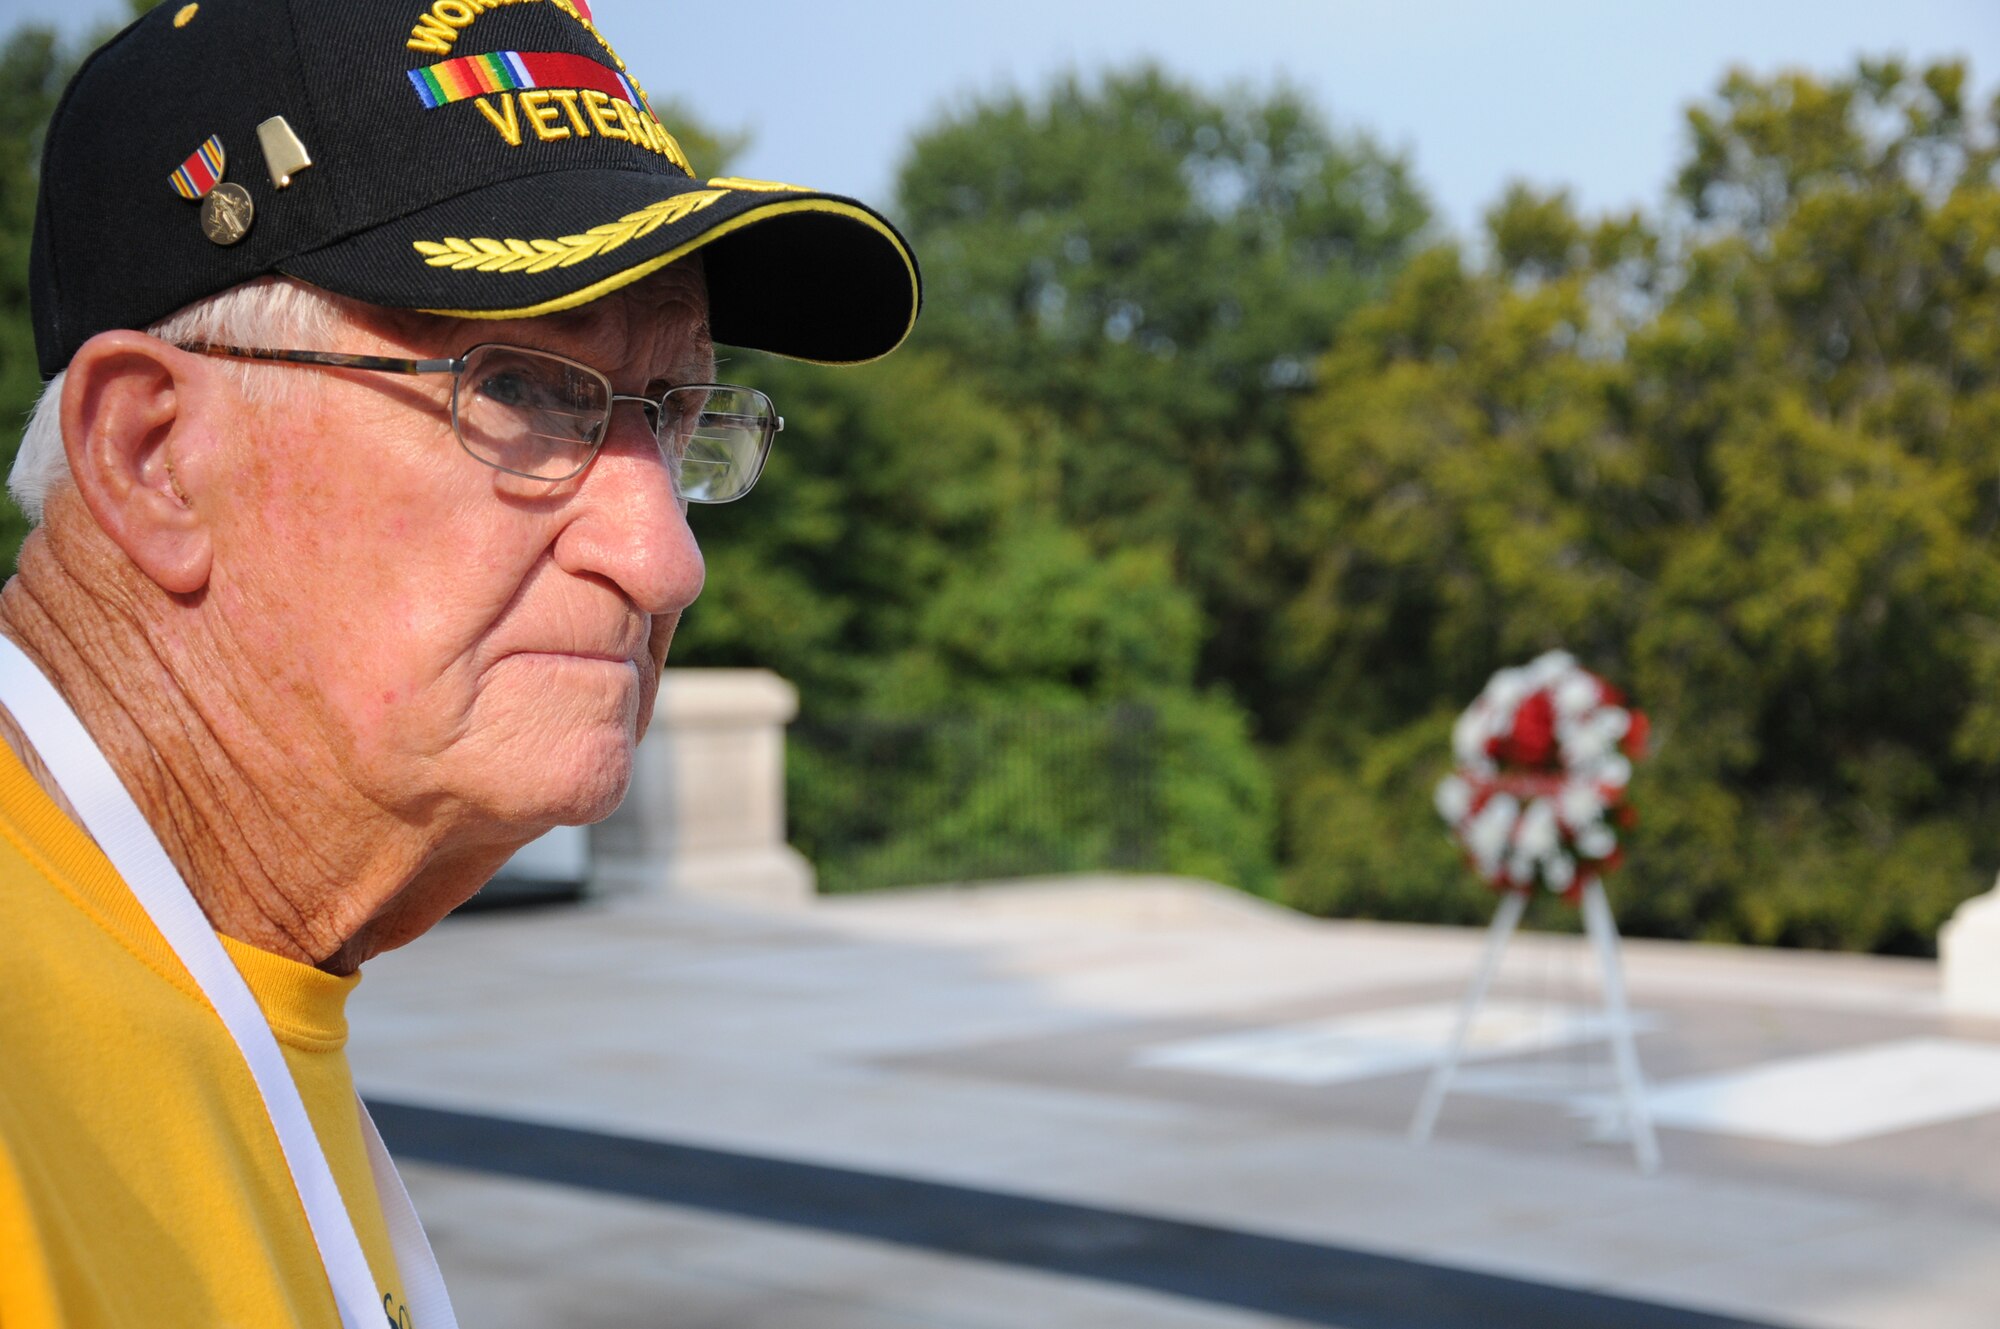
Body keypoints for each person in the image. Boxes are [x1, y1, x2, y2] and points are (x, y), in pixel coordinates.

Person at [0, 1, 919, 1324]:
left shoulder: (219, 964)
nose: (666, 561)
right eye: (525, 392)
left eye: (677, 416)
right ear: (155, 458)